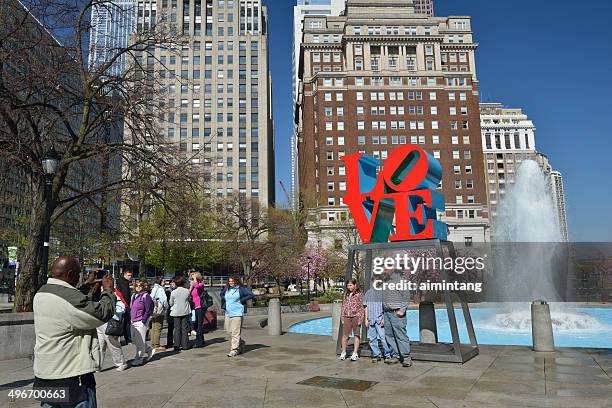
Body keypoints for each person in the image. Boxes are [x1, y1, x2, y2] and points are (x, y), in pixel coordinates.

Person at [33, 256, 115, 408]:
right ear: (70, 275)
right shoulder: (69, 299)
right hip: (71, 377)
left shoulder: (42, 292)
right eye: (77, 275)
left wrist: (86, 285)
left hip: (45, 375)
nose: (79, 277)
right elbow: (102, 313)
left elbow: (68, 301)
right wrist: (108, 291)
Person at [382, 269, 412, 367]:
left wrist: (402, 310)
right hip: (386, 313)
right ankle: (395, 356)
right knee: (389, 336)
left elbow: (406, 295)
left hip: (397, 313)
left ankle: (406, 358)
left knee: (401, 335)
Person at [220, 276, 255, 357]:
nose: (231, 283)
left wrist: (242, 300)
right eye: (229, 281)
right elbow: (221, 294)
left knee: (235, 332)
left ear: (236, 281)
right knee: (229, 331)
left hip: (237, 313)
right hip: (228, 313)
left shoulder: (241, 288)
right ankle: (241, 342)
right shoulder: (227, 289)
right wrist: (224, 299)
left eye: (232, 281)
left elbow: (251, 295)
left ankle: (234, 350)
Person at [96, 287, 129, 371]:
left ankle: (121, 363)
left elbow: (122, 308)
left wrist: (112, 313)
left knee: (113, 344)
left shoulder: (115, 295)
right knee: (99, 345)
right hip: (100, 323)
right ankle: (98, 365)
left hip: (109, 323)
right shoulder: (102, 295)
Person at [363, 282, 391, 363]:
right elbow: (366, 307)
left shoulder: (383, 293)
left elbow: (385, 307)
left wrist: (384, 319)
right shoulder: (368, 293)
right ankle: (376, 355)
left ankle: (387, 355)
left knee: (383, 338)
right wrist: (365, 319)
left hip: (379, 319)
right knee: (372, 339)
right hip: (370, 320)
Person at [130, 280, 154, 366]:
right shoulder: (134, 295)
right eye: (136, 285)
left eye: (140, 285)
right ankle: (148, 349)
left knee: (140, 341)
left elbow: (149, 309)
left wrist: (144, 320)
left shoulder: (145, 296)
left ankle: (139, 358)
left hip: (140, 321)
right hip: (133, 321)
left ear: (143, 286)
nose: (138, 287)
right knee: (134, 339)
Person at [339, 279, 364, 362]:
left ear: (355, 285)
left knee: (356, 334)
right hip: (346, 316)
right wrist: (342, 316)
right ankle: (343, 352)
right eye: (348, 285)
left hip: (356, 316)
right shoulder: (346, 294)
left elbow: (361, 307)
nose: (349, 287)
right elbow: (343, 305)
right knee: (345, 335)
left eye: (350, 285)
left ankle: (355, 353)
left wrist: (360, 318)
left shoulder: (359, 294)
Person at [169, 276, 191, 351]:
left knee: (177, 328)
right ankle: (185, 345)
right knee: (184, 328)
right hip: (184, 311)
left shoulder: (173, 292)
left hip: (176, 312)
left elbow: (171, 303)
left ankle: (176, 345)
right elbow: (188, 299)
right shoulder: (186, 291)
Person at [150, 277, 168, 354]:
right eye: (163, 281)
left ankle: (153, 343)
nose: (164, 282)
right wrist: (166, 307)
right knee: (158, 327)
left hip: (153, 310)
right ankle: (156, 345)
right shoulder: (160, 289)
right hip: (159, 310)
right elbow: (164, 300)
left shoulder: (154, 288)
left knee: (153, 327)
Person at [189, 272, 206, 348]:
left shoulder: (200, 285)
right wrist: (190, 286)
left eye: (193, 278)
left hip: (199, 307)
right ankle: (201, 341)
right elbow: (188, 293)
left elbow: (198, 287)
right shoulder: (193, 285)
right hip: (193, 307)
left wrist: (195, 279)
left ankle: (199, 343)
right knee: (195, 324)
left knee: (199, 325)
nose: (192, 279)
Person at [116, 270, 133, 343]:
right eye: (129, 275)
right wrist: (128, 305)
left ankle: (121, 338)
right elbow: (125, 295)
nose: (130, 277)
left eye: (131, 275)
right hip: (125, 305)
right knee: (127, 322)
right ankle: (128, 338)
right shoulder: (124, 283)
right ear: (124, 275)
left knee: (120, 322)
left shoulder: (120, 281)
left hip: (120, 305)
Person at [165, 279, 176, 349]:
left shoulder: (177, 290)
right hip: (170, 311)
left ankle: (177, 342)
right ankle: (169, 343)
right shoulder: (168, 291)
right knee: (170, 327)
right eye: (171, 284)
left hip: (176, 310)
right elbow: (169, 302)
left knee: (177, 327)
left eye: (173, 283)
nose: (172, 285)